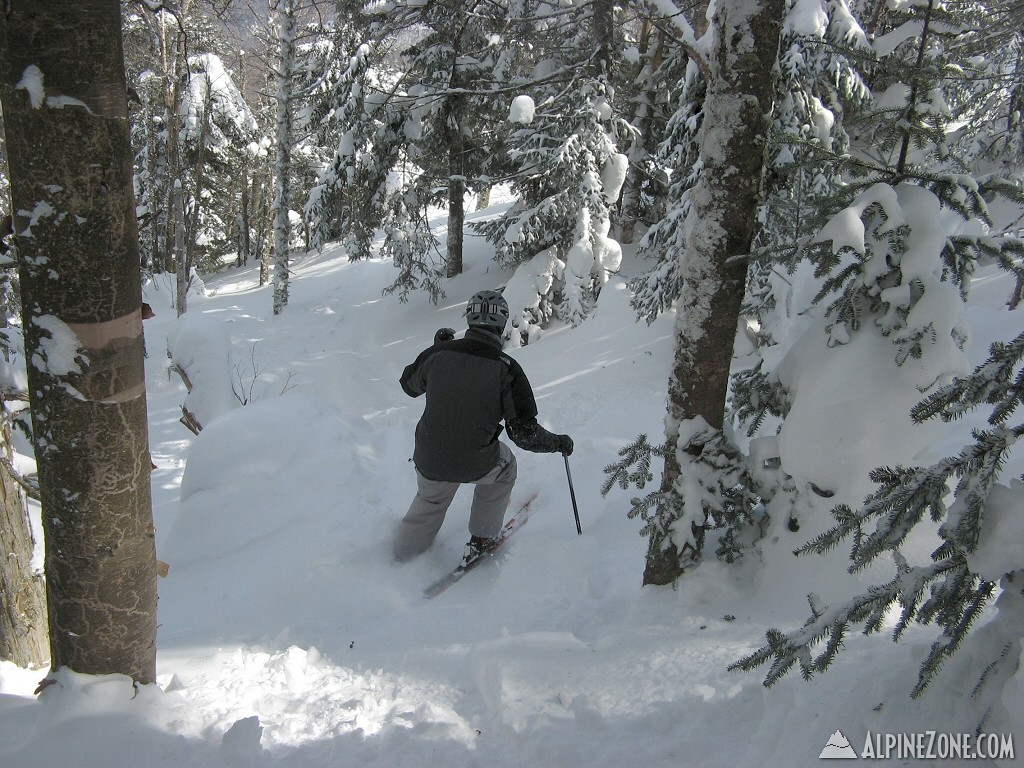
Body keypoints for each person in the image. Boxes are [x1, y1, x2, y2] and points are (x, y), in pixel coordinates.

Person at [393, 289, 573, 563]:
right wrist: (557, 443)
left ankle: (403, 557)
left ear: (470, 320)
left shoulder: (440, 353)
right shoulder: (507, 368)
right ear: (500, 326)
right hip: (475, 460)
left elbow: (409, 385)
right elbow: (524, 434)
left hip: (429, 456)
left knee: (431, 500)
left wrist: (437, 348)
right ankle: (482, 539)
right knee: (506, 468)